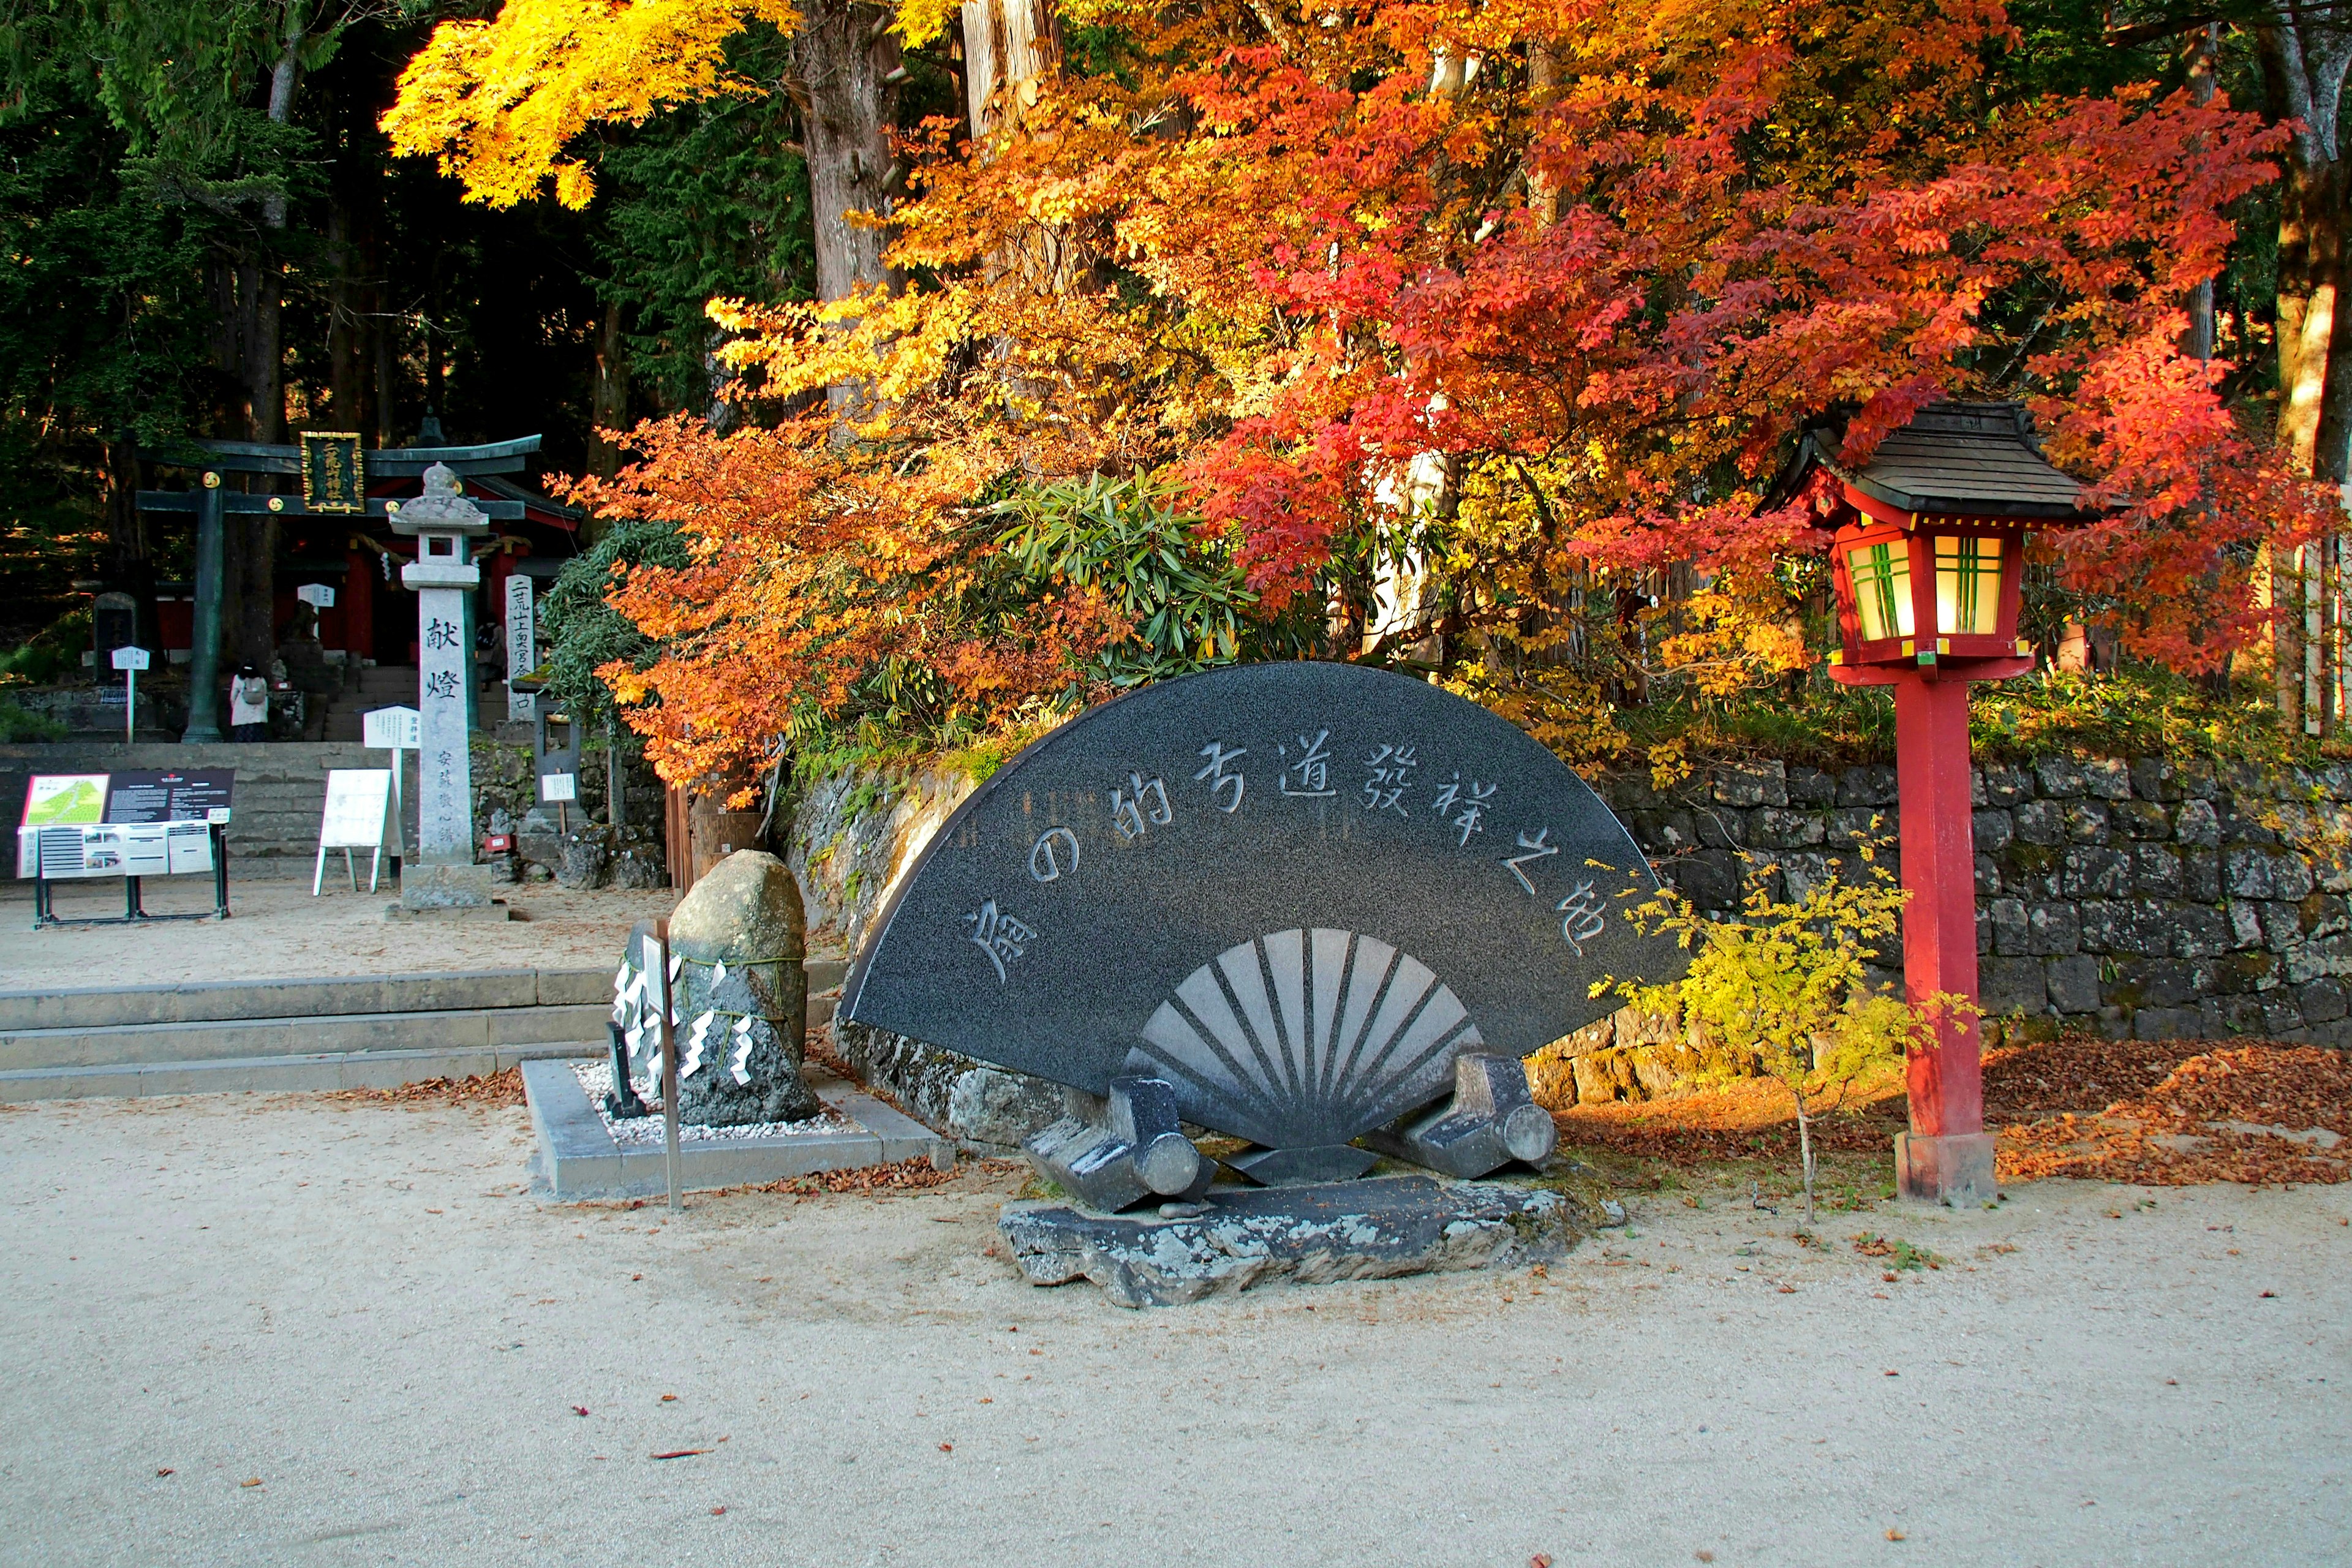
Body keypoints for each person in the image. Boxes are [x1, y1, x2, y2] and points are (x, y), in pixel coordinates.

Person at [228, 663, 270, 742]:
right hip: (258, 711)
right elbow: (265, 694)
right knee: (256, 735)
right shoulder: (261, 679)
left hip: (242, 710)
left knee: (242, 735)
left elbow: (233, 696)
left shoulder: (238, 678)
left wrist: (235, 707)